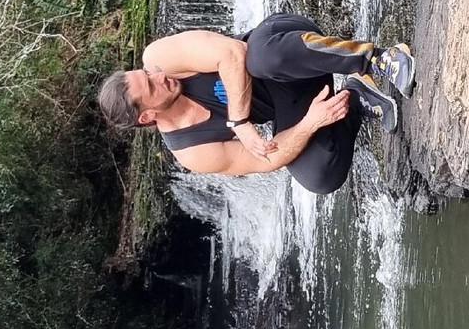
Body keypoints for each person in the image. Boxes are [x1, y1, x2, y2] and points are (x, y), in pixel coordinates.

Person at [97, 12, 415, 194]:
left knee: (261, 58)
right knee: (318, 176)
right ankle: (356, 98)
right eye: (151, 85)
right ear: (147, 116)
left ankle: (378, 59)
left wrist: (238, 121)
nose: (157, 76)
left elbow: (233, 52)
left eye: (146, 74)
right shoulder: (191, 152)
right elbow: (266, 160)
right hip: (295, 99)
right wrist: (310, 123)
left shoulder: (159, 58)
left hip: (283, 47)